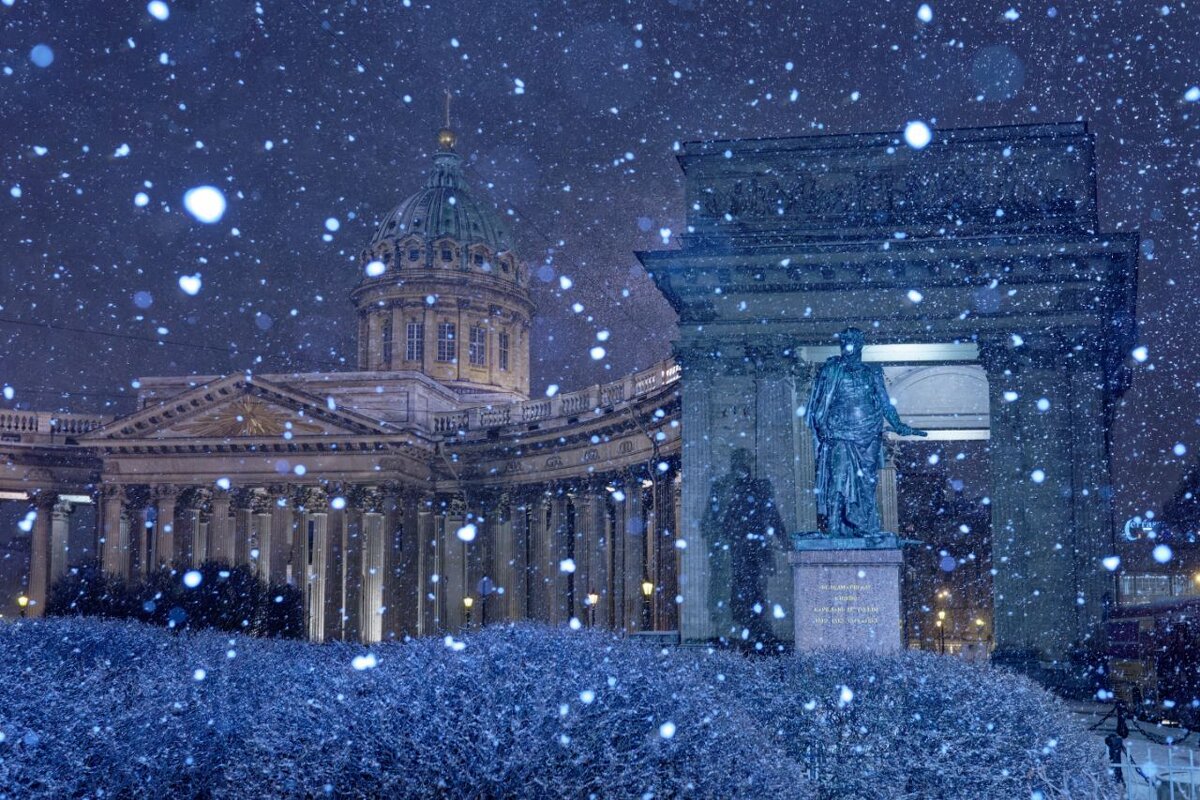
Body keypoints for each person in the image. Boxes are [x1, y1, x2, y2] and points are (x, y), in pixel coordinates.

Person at [807, 328, 927, 537]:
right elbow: (820, 404)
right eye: (844, 341)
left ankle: (864, 525)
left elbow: (885, 403)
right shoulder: (831, 370)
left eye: (852, 341)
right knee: (837, 480)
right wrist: (823, 427)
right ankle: (834, 528)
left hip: (868, 434)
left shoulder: (872, 372)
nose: (848, 345)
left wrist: (900, 426)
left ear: (861, 344)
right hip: (840, 433)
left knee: (867, 484)